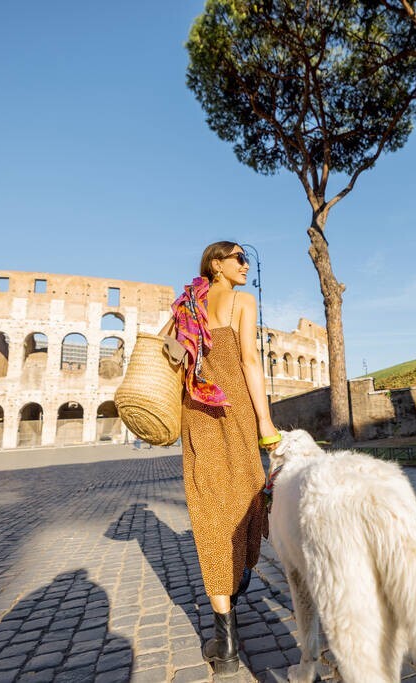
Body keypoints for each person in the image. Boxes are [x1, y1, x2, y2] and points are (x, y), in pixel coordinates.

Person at [160, 240, 280, 674]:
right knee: (248, 494)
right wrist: (266, 422)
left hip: (197, 412)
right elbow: (249, 360)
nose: (246, 266)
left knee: (209, 509)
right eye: (239, 259)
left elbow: (170, 358)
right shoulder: (242, 301)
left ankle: (224, 642)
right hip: (236, 411)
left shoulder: (186, 305)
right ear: (217, 263)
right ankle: (238, 576)